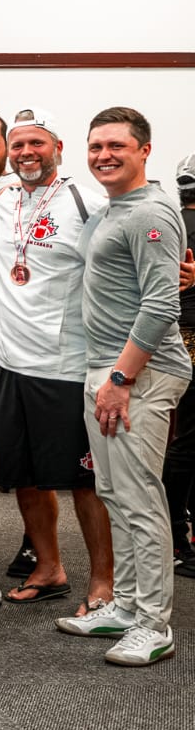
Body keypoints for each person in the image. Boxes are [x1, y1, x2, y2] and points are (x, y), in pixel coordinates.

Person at [62, 107, 188, 666]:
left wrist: (120, 378)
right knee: (114, 494)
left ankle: (155, 625)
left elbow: (162, 303)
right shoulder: (115, 209)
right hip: (106, 370)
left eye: (117, 145)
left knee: (140, 498)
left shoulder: (151, 212)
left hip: (140, 373)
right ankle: (128, 606)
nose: (104, 155)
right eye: (95, 146)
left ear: (144, 150)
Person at [0, 108, 113, 612]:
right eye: (17, 145)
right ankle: (49, 567)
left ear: (58, 146)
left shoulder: (89, 201)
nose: (26, 154)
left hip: (66, 364)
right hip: (10, 362)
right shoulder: (0, 199)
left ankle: (104, 581)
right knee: (26, 477)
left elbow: (121, 259)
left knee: (84, 481)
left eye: (37, 144)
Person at [163, 152, 195, 578]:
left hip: (175, 342)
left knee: (186, 439)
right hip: (188, 338)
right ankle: (174, 537)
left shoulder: (173, 224)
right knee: (188, 444)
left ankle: (177, 533)